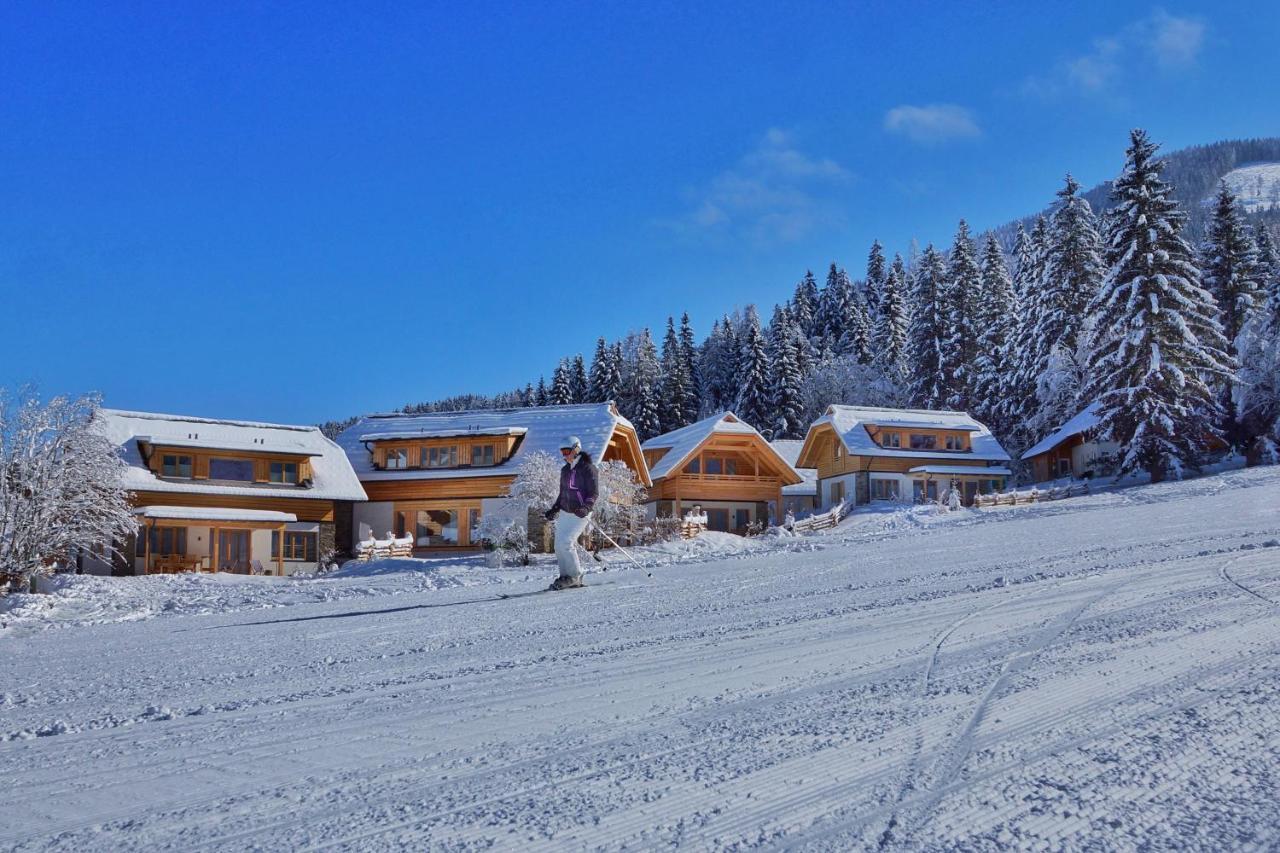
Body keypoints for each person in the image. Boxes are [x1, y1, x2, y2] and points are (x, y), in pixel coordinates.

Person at [543, 435, 598, 590]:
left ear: (576, 449)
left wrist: (586, 508)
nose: (564, 455)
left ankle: (575, 575)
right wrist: (554, 509)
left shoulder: (588, 468)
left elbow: (594, 493)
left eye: (567, 451)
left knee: (567, 542)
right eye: (562, 452)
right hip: (567, 511)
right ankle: (565, 576)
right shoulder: (565, 470)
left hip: (581, 512)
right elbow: (563, 493)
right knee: (558, 545)